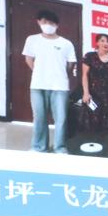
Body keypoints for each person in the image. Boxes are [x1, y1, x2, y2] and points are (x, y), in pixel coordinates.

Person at [21, 9, 76, 153]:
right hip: (38, 85)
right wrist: (40, 72)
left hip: (60, 86)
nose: (48, 25)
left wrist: (58, 73)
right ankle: (39, 147)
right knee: (39, 117)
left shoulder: (66, 43)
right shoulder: (32, 39)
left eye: (51, 23)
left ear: (57, 25)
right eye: (44, 22)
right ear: (38, 22)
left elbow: (70, 64)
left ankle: (60, 147)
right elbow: (28, 59)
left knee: (61, 118)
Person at [80, 33, 108, 134]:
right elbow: (84, 75)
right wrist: (86, 93)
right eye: (102, 41)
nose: (106, 43)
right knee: (92, 121)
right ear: (97, 43)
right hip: (93, 94)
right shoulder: (90, 56)